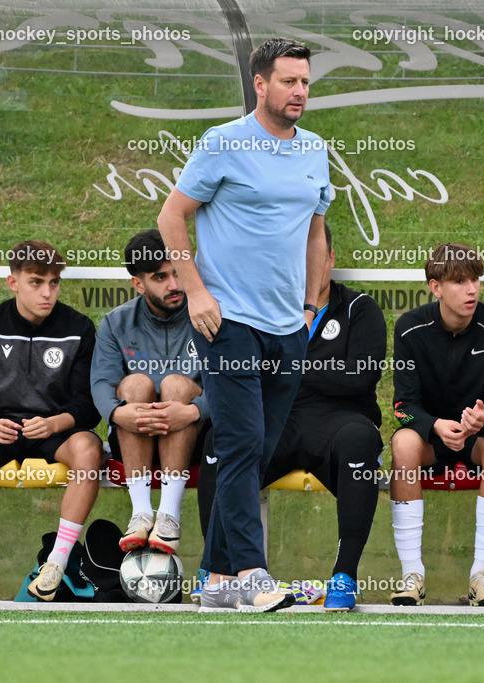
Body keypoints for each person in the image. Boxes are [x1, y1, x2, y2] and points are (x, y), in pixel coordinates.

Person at [157, 37, 330, 613]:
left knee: (256, 452)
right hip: (228, 321)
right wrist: (196, 292)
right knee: (239, 444)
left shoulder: (315, 150)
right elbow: (171, 216)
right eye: (289, 81)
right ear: (260, 83)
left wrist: (309, 308)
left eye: (305, 82)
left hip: (289, 327)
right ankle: (253, 575)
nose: (300, 91)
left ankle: (216, 579)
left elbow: (315, 233)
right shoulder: (223, 142)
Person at [196, 226, 385, 612]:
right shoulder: (264, 310)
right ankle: (217, 572)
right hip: (276, 418)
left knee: (360, 440)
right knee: (221, 441)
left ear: (330, 259)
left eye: (315, 258)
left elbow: (360, 377)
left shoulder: (359, 308)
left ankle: (344, 576)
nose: (307, 267)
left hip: (338, 421)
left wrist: (290, 368)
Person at [0, 240, 102, 601]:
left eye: (54, 283)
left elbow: (89, 403)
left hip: (54, 432)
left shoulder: (79, 328)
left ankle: (56, 563)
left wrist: (56, 423)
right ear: (13, 282)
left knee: (89, 448)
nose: (47, 292)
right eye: (36, 282)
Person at [389, 243, 484, 607]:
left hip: (479, 438)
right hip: (431, 439)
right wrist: (435, 425)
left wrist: (483, 419)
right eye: (460, 282)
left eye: (475, 279)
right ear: (436, 287)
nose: (472, 289)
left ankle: (482, 576)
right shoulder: (409, 327)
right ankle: (412, 576)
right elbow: (403, 406)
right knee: (403, 443)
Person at [90, 229, 208, 555]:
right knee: (135, 384)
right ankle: (141, 513)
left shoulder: (206, 312)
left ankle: (169, 516)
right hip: (134, 436)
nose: (175, 285)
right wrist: (117, 413)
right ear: (138, 284)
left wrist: (194, 410)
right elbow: (101, 381)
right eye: (160, 277)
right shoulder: (116, 322)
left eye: (177, 273)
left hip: (194, 434)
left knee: (175, 384)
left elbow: (229, 379)